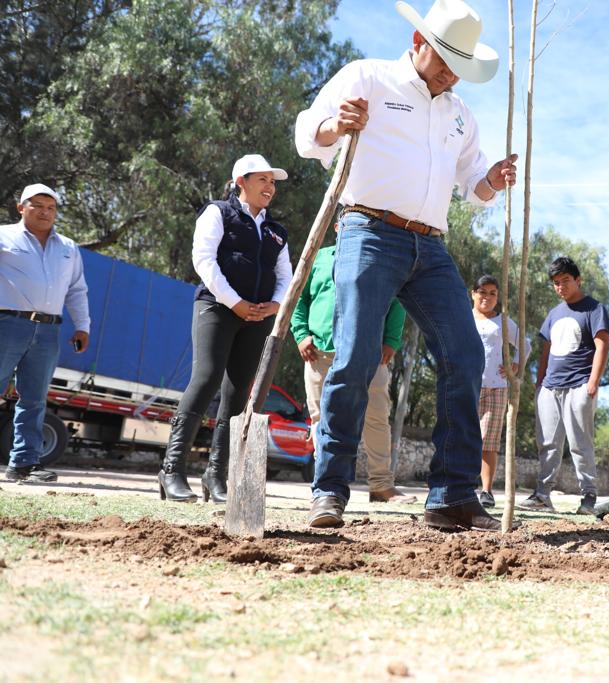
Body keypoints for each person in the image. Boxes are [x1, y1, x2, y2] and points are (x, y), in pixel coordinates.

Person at [293, 0, 518, 531]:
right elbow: (309, 134)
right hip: (367, 231)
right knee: (354, 356)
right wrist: (334, 125)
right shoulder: (368, 77)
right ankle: (329, 490)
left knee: (463, 354)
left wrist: (495, 180)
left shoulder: (461, 113)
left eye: (458, 65)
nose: (448, 73)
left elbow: (474, 186)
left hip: (430, 246)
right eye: (442, 59)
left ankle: (451, 494)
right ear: (419, 44)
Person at [157, 154, 292, 504]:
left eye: (273, 182)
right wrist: (235, 302)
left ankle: (216, 476)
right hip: (216, 308)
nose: (270, 187)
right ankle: (171, 470)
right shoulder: (218, 212)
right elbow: (203, 260)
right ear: (240, 182)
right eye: (262, 179)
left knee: (237, 395)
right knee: (206, 380)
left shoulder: (277, 231)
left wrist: (275, 305)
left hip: (259, 317)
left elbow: (286, 276)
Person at [290, 229, 416, 504]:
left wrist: (391, 340)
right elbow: (300, 298)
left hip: (369, 352)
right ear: (336, 228)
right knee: (320, 419)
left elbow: (396, 301)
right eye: (343, 223)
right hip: (319, 352)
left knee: (376, 417)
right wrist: (301, 334)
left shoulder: (378, 259)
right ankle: (324, 486)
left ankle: (382, 485)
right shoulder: (318, 258)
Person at [1, 184, 89, 483]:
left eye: (51, 208)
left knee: (35, 399)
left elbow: (77, 289)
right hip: (7, 324)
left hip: (49, 330)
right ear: (21, 207)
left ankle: (24, 464)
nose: (45, 212)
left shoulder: (67, 247)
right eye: (37, 205)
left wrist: (82, 326)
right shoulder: (4, 236)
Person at [519, 257, 609, 516]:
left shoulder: (594, 309)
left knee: (580, 443)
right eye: (556, 283)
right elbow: (546, 350)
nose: (561, 287)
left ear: (578, 279)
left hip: (579, 385)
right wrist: (539, 383)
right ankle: (542, 494)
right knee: (547, 442)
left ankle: (589, 497)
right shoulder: (554, 314)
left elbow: (602, 345)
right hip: (550, 387)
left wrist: (593, 382)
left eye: (565, 281)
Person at [470, 274, 531, 508]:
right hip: (468, 383)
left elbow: (525, 344)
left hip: (496, 386)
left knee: (489, 441)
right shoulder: (464, 318)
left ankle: (486, 491)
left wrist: (515, 364)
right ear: (473, 294)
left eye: (493, 293)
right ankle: (463, 486)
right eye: (482, 291)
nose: (487, 297)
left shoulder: (503, 322)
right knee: (466, 435)